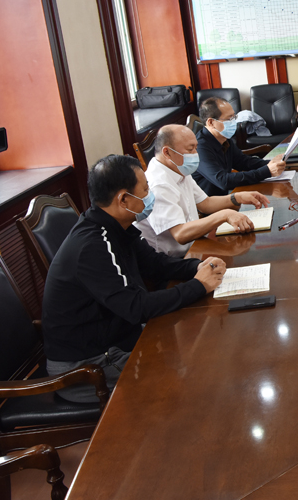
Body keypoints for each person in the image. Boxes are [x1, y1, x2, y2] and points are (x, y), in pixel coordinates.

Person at [42, 155, 226, 402]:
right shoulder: (93, 246)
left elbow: (156, 265)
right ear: (124, 199)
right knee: (192, 375)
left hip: (117, 340)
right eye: (146, 190)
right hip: (86, 366)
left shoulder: (119, 226)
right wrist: (199, 285)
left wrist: (200, 266)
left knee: (200, 351)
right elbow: (136, 307)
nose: (151, 196)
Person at [136, 125, 270, 258]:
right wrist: (224, 215)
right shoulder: (158, 184)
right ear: (167, 152)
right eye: (190, 149)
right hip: (174, 260)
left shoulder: (177, 167)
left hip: (195, 245)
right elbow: (180, 233)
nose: (196, 154)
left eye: (196, 148)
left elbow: (205, 203)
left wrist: (237, 197)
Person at [193, 97, 285, 196]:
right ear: (211, 122)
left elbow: (242, 161)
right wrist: (267, 171)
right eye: (229, 119)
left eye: (234, 117)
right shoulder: (199, 147)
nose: (234, 122)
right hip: (209, 202)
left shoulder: (223, 137)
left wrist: (272, 163)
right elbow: (223, 181)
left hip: (224, 197)